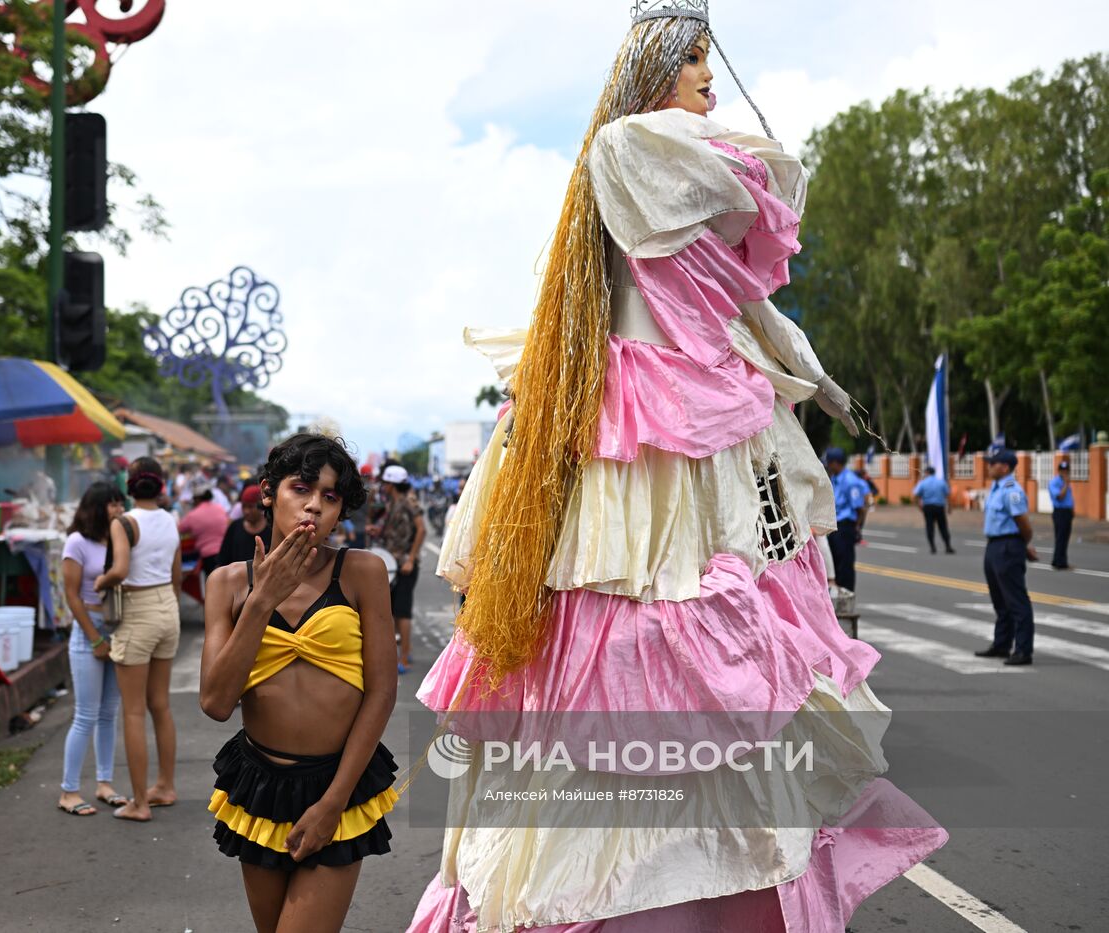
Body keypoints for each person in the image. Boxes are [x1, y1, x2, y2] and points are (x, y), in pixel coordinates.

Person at [406, 4, 946, 928]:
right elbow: (769, 174)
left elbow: (753, 302)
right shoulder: (628, 149)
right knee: (636, 614)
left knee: (707, 626)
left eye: (707, 56)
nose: (708, 74)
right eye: (691, 58)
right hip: (643, 422)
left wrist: (811, 379)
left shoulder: (662, 165)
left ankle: (705, 857)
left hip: (706, 409)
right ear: (651, 68)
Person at [199, 433, 396, 933]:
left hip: (337, 783)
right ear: (268, 492)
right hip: (260, 786)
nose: (314, 505)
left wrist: (333, 801)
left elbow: (381, 692)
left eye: (330, 497)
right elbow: (216, 701)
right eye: (301, 488)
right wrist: (261, 601)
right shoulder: (227, 583)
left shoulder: (362, 572)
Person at [94, 457, 182, 823]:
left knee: (132, 711)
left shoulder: (124, 522)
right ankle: (164, 786)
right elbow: (176, 575)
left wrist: (99, 584)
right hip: (167, 607)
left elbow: (120, 570)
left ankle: (140, 803)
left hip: (138, 610)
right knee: (159, 705)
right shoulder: (170, 520)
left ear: (129, 484)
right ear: (160, 485)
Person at [58, 483, 128, 817]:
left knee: (108, 713)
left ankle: (105, 783)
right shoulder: (77, 542)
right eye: (111, 504)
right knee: (85, 714)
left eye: (120, 503)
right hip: (89, 632)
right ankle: (68, 791)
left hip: (116, 628)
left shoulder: (119, 540)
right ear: (95, 507)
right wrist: (94, 639)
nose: (117, 509)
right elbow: (71, 596)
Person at [975, 449, 1036, 666]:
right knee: (1000, 600)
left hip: (1008, 546)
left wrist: (1023, 544)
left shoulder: (1011, 490)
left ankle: (1023, 650)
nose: (989, 466)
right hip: (994, 546)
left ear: (1005, 467)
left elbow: (1024, 524)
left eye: (993, 463)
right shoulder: (996, 487)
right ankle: (1002, 644)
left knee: (1016, 600)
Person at [376, 464, 424, 675]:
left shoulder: (408, 501)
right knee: (394, 610)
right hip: (393, 564)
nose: (382, 486)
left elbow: (422, 529)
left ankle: (405, 656)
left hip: (404, 565)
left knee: (402, 612)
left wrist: (411, 559)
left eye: (385, 483)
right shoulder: (393, 503)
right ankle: (401, 651)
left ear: (391, 484)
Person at [824, 448, 868, 591]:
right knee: (835, 562)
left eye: (829, 463)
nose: (828, 466)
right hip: (835, 525)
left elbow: (860, 509)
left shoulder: (850, 481)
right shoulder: (835, 478)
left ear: (836, 463)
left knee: (845, 563)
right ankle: (837, 594)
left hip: (845, 525)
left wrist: (857, 528)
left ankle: (847, 593)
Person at [208, 484, 273, 574]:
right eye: (244, 507)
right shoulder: (235, 527)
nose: (246, 511)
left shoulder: (271, 528)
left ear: (260, 505)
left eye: (250, 507)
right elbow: (223, 560)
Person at [179, 479, 232, 579]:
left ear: (197, 499)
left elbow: (179, 529)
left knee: (213, 585)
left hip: (208, 557)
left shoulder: (193, 515)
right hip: (224, 552)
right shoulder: (219, 508)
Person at [912, 465, 955, 555]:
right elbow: (948, 495)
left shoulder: (923, 482)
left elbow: (916, 495)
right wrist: (950, 507)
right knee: (943, 527)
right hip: (939, 507)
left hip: (928, 507)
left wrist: (919, 506)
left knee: (929, 527)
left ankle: (932, 547)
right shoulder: (941, 482)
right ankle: (948, 546)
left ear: (927, 473)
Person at [1049, 458, 1075, 569]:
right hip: (1059, 512)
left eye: (1067, 470)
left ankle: (1058, 561)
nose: (1065, 472)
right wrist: (1065, 484)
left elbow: (1069, 499)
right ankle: (1060, 563)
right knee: (1060, 537)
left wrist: (1072, 510)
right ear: (1059, 471)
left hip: (1067, 512)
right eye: (1063, 470)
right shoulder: (1055, 482)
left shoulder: (1066, 483)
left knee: (1065, 537)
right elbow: (1060, 497)